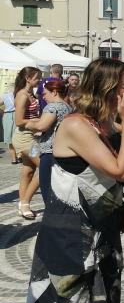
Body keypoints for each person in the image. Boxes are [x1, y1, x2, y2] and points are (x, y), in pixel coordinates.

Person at [18, 58, 124, 303]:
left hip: (101, 228)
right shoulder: (75, 124)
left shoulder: (101, 124)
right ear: (107, 86)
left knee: (102, 298)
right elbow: (119, 169)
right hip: (72, 233)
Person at [25, 79, 72, 211]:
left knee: (47, 188)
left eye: (45, 94)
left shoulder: (52, 107)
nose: (44, 97)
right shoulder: (68, 107)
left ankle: (52, 219)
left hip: (50, 152)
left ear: (55, 92)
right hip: (64, 151)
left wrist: (30, 124)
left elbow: (42, 126)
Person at [13, 66, 42, 220]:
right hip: (25, 139)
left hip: (31, 137)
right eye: (37, 77)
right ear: (28, 78)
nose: (40, 80)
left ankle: (22, 205)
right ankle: (25, 203)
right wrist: (40, 121)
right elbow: (18, 121)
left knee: (28, 170)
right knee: (44, 166)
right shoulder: (22, 95)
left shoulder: (31, 93)